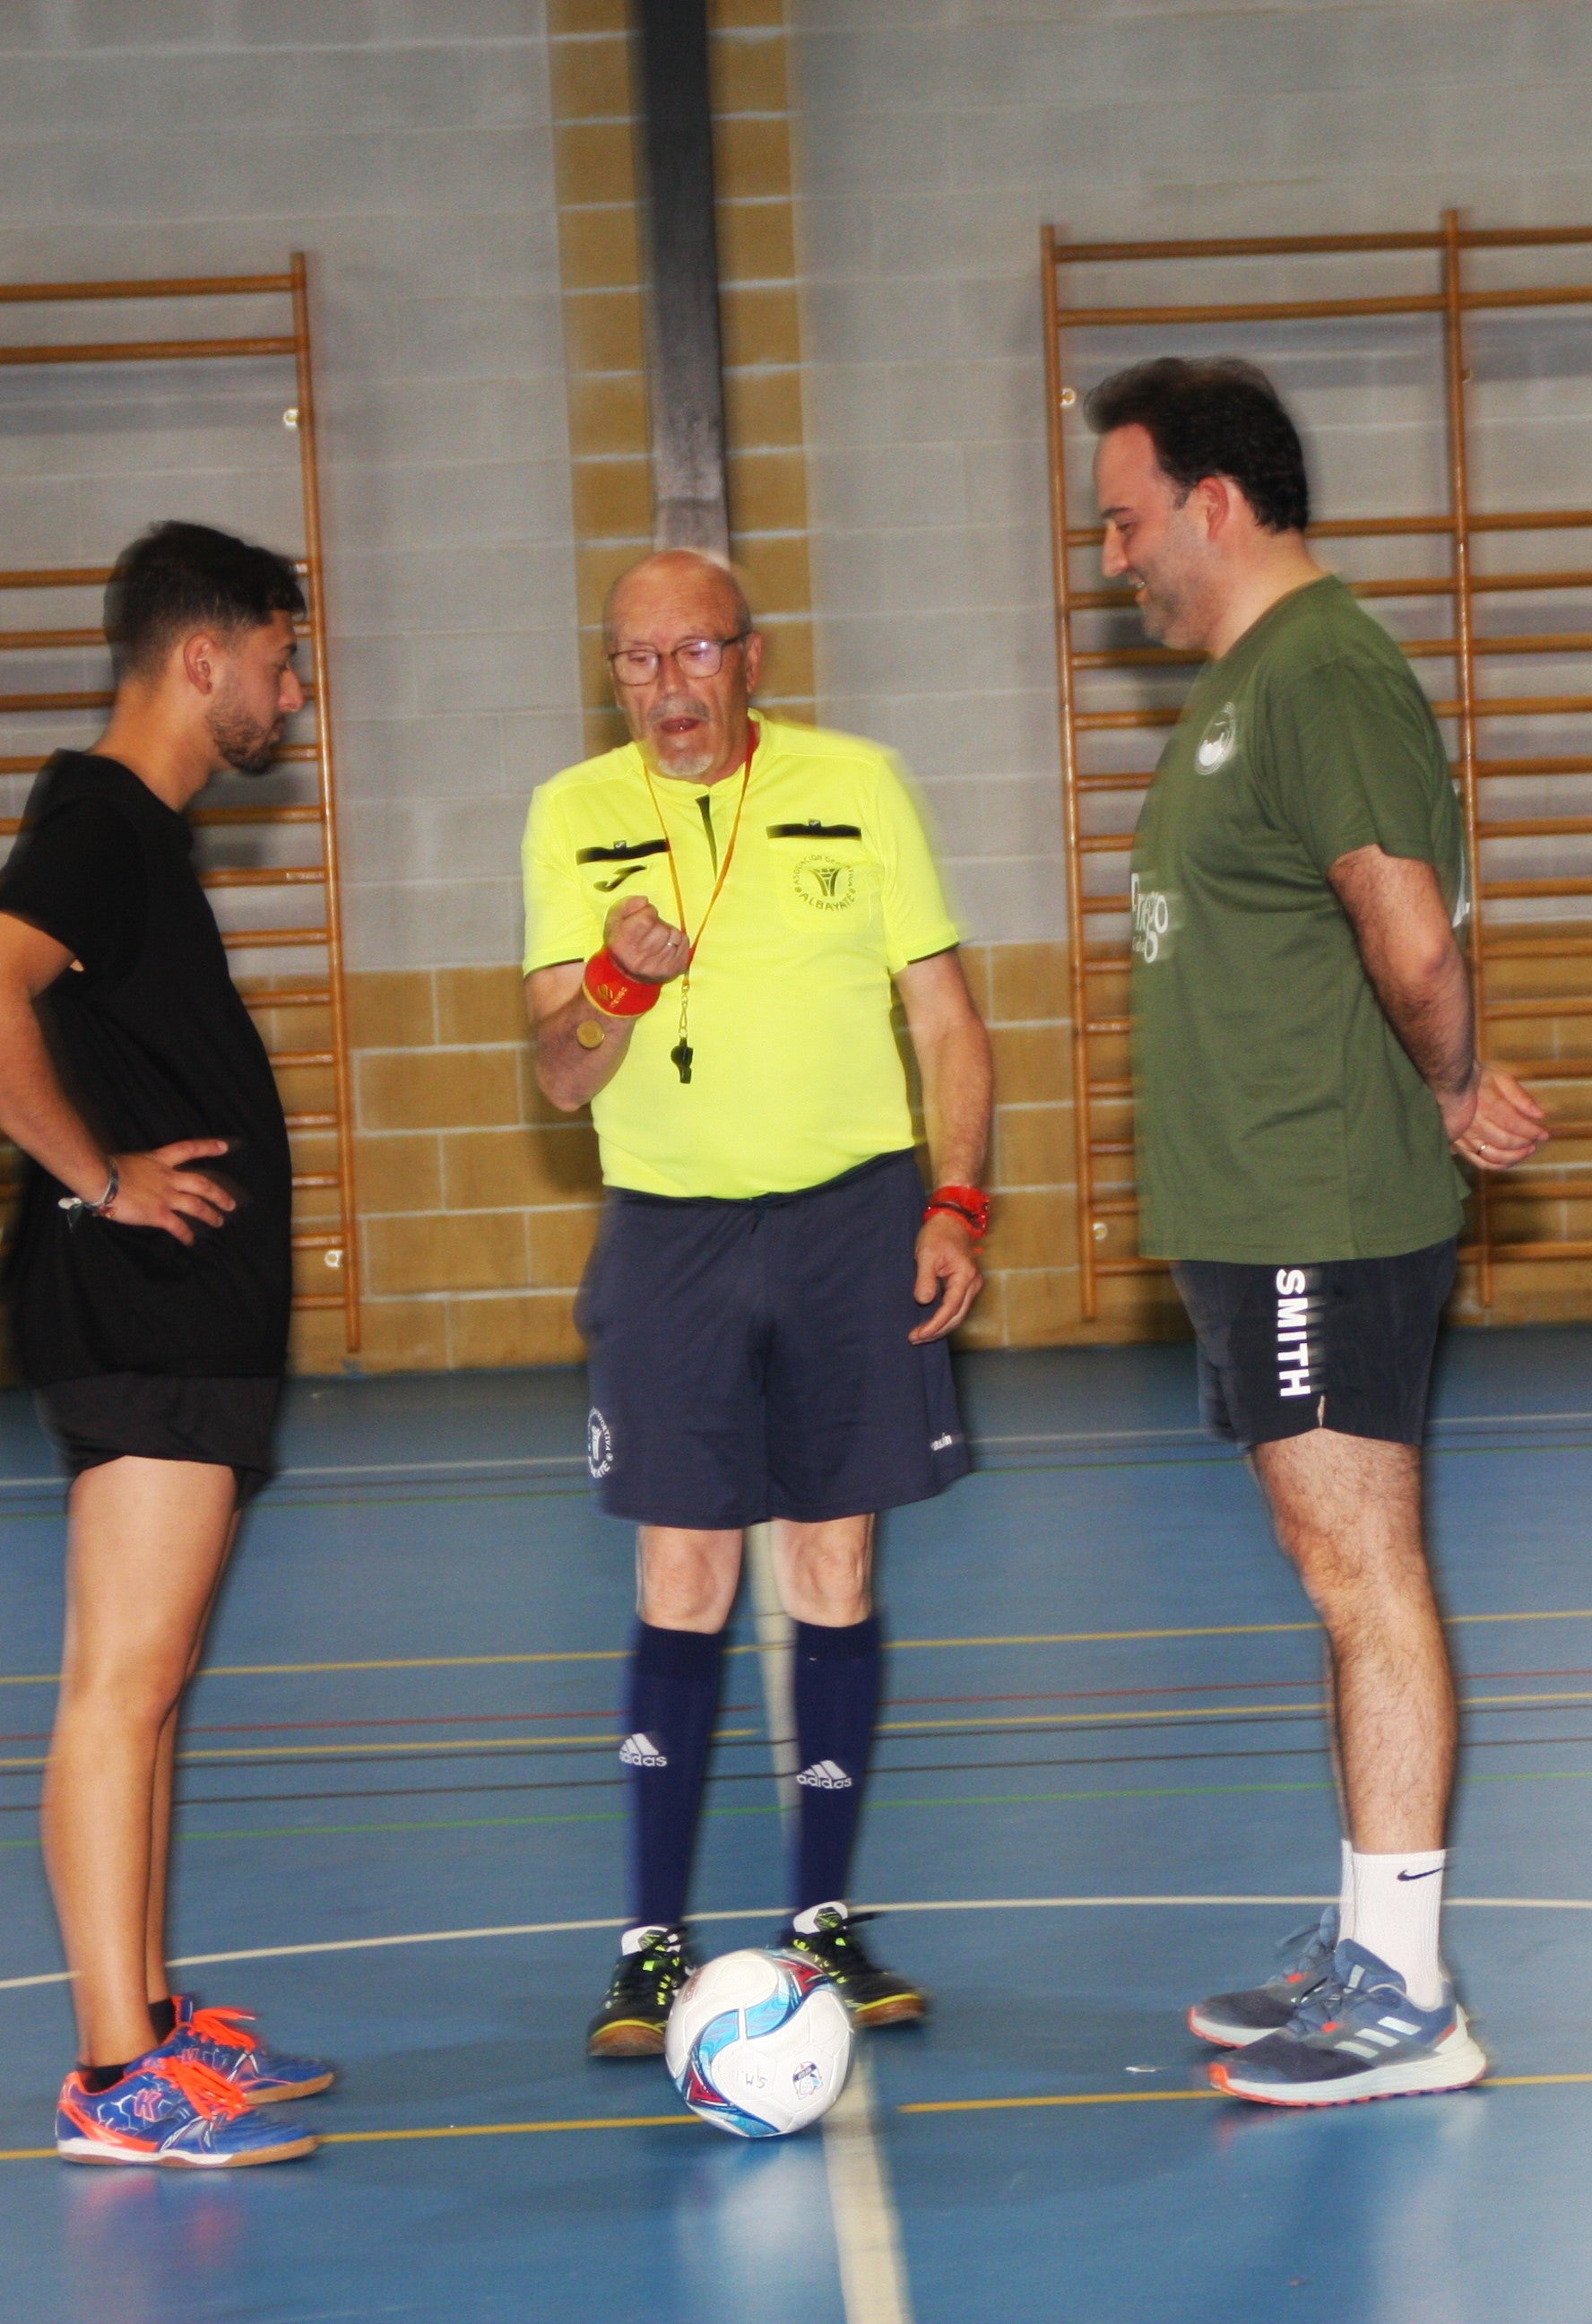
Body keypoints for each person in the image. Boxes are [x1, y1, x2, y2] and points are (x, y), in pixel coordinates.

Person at [1089, 359, 1553, 2106]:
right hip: (1261, 1210)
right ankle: (1366, 1930)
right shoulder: (1247, 687)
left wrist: (1447, 1084)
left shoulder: (1328, 670)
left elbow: (1409, 933)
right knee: (1335, 1575)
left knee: (1367, 1575)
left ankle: (1410, 1993)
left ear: (1217, 503)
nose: (1116, 553)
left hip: (1322, 1209)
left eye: (1127, 517)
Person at [521, 549, 995, 2059]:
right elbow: (558, 1072)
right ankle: (650, 1944)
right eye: (639, 662)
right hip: (670, 1233)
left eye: (695, 655)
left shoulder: (862, 784)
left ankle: (824, 1927)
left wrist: (959, 1199)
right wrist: (612, 980)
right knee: (685, 1579)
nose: (669, 690)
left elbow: (947, 1021)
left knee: (835, 1568)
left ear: (754, 656)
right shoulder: (571, 816)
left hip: (855, 1221)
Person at [0, 520, 333, 2167]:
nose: (293, 698)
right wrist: (95, 1180)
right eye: (283, 661)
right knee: (119, 1687)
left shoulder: (137, 836)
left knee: (153, 1693)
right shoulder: (102, 820)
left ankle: (156, 2022)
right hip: (144, 1319)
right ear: (201, 657)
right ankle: (115, 2077)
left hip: (186, 1328)